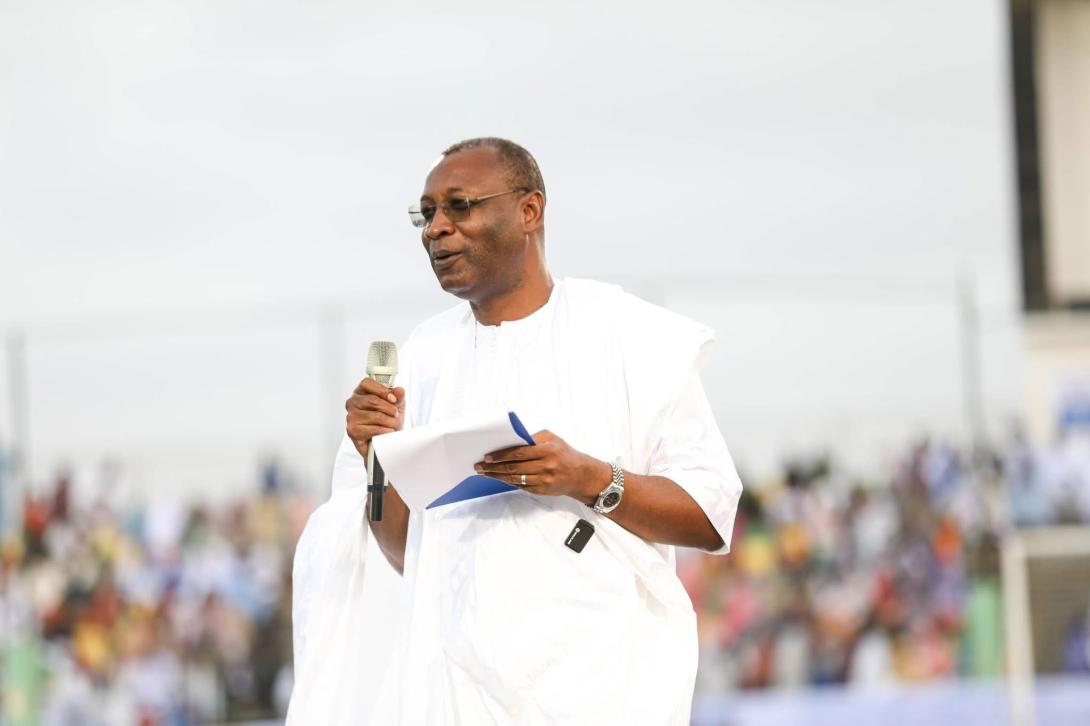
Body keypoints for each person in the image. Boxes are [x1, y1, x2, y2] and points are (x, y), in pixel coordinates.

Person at [289, 138, 743, 724]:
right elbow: (409, 553)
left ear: (529, 210)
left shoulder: (626, 335)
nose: (437, 228)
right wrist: (377, 457)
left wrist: (589, 479)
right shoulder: (424, 356)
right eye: (427, 214)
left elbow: (709, 515)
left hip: (601, 687)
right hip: (459, 695)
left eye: (460, 205)